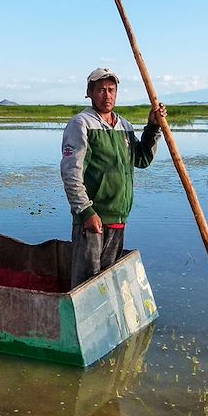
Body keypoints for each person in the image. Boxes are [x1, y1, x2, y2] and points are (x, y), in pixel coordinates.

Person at [60, 68, 166, 288]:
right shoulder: (81, 124)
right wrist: (86, 211)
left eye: (111, 90)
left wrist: (153, 126)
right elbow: (71, 173)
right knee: (86, 284)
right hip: (92, 220)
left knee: (108, 282)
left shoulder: (124, 126)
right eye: (100, 90)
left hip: (118, 216)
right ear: (89, 92)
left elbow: (142, 159)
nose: (107, 95)